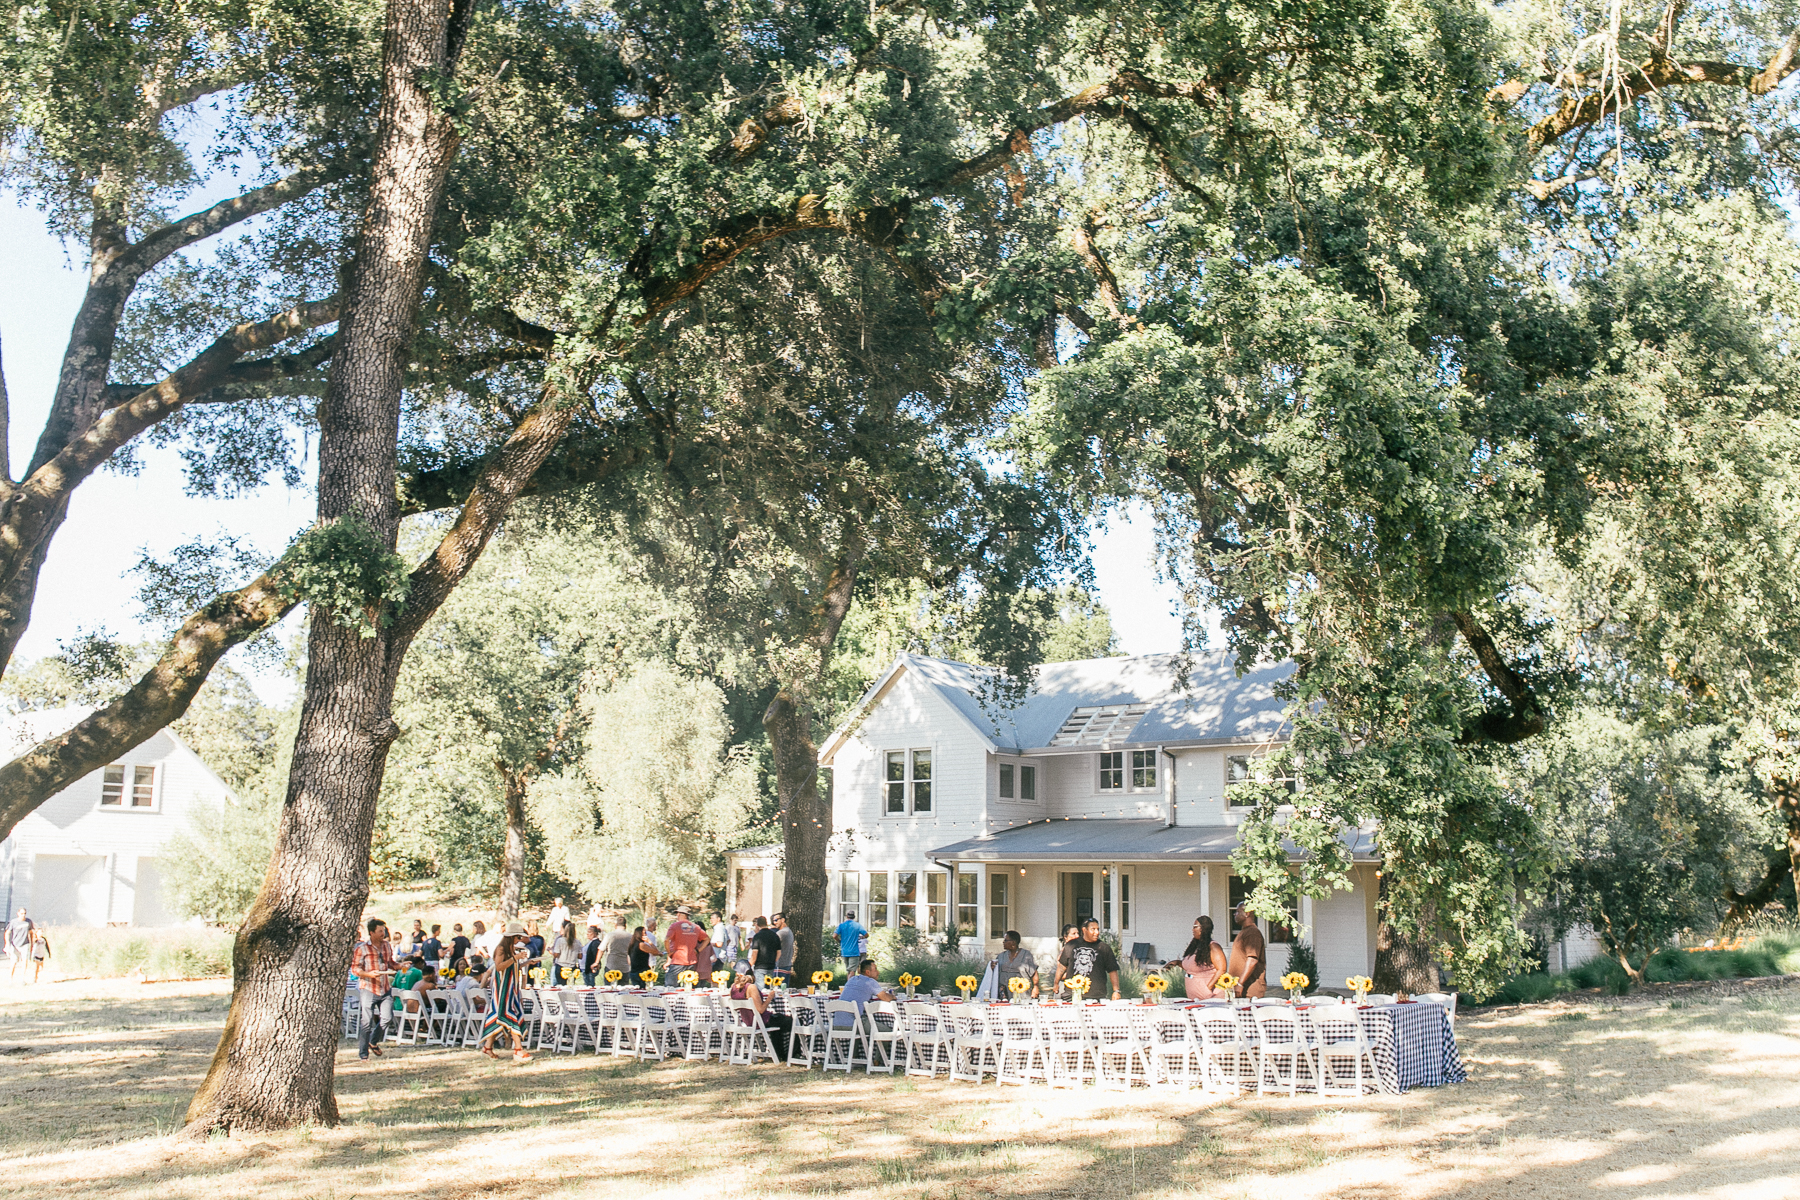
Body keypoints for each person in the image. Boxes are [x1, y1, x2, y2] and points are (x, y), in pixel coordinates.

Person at [479, 922, 533, 1062]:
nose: (518, 940)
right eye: (517, 937)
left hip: (510, 988)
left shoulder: (510, 949)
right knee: (510, 1014)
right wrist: (515, 958)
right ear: (512, 936)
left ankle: (487, 1047)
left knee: (500, 1016)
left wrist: (525, 963)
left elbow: (511, 966)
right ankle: (518, 1049)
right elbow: (499, 967)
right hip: (502, 989)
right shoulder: (501, 948)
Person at [352, 918, 399, 1060]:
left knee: (387, 1018)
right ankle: (363, 1054)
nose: (382, 933)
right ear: (371, 932)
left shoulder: (386, 946)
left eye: (383, 930)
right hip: (368, 988)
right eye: (380, 931)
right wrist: (368, 974)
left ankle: (373, 1041)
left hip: (384, 988)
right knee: (366, 1022)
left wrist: (400, 966)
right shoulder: (362, 948)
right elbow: (355, 969)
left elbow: (390, 963)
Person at [728, 968, 790, 1060]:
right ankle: (792, 1053)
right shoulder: (751, 987)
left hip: (747, 1021)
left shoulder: (733, 987)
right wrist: (769, 998)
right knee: (793, 1021)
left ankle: (779, 1053)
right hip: (760, 1020)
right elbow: (760, 1010)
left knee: (779, 1023)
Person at [1054, 918, 1121, 1001]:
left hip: (1096, 997)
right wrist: (1056, 983)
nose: (1097, 932)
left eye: (1098, 929)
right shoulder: (1071, 945)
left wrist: (1116, 991)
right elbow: (1061, 967)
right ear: (1084, 930)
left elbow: (1112, 970)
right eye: (1093, 929)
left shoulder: (1104, 948)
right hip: (1072, 995)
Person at [1168, 916, 1229, 999]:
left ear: (1203, 928)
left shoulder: (1213, 946)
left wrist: (1208, 988)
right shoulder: (1196, 947)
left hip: (1209, 995)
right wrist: (1178, 963)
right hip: (1194, 995)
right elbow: (1192, 968)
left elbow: (1222, 969)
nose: (1192, 930)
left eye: (1195, 927)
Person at [834, 959, 894, 1027]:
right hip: (854, 1024)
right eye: (875, 970)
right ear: (868, 972)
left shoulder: (852, 979)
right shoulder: (870, 982)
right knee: (888, 1031)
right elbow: (886, 998)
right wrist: (893, 996)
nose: (878, 972)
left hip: (836, 1025)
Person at [1227, 904, 1267, 999]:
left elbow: (1252, 960)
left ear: (1247, 913)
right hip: (1240, 989)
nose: (1234, 914)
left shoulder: (1252, 933)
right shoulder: (1245, 932)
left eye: (1237, 912)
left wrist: (1240, 984)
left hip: (1249, 991)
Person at [664, 906, 708, 981]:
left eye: (677, 913)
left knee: (671, 986)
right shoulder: (696, 927)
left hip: (677, 960)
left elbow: (666, 940)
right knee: (688, 986)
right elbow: (706, 939)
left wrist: (669, 952)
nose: (677, 915)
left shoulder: (674, 926)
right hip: (691, 960)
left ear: (679, 914)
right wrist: (698, 950)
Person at [990, 931, 1039, 997]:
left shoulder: (1026, 955)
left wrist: (1036, 987)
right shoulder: (1001, 956)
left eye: (1005, 940)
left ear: (1013, 942)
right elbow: (995, 973)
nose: (1003, 942)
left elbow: (1034, 972)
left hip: (1021, 992)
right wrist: (992, 967)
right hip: (1004, 993)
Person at [747, 916, 782, 987]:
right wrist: (773, 960)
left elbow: (754, 955)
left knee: (761, 991)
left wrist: (748, 966)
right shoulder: (775, 936)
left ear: (757, 925)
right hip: (771, 967)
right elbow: (779, 953)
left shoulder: (757, 937)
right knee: (769, 990)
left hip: (759, 967)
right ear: (766, 923)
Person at [834, 909, 868, 974]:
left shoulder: (841, 925)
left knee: (848, 971)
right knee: (852, 971)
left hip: (844, 951)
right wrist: (862, 937)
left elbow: (834, 936)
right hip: (854, 951)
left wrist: (839, 941)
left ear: (847, 916)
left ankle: (848, 984)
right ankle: (850, 984)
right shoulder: (857, 925)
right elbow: (866, 934)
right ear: (854, 917)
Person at [601, 918, 633, 982]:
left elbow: (601, 949)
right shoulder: (630, 937)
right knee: (623, 989)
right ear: (625, 925)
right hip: (625, 967)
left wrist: (596, 962)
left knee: (609, 988)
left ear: (615, 925)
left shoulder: (609, 935)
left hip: (611, 965)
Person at [6, 908, 34, 981]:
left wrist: (32, 944)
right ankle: (10, 979)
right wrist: (7, 943)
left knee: (24, 961)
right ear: (18, 913)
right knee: (14, 961)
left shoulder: (28, 922)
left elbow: (31, 932)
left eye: (24, 913)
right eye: (21, 913)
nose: (23, 915)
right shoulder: (13, 922)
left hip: (25, 943)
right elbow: (7, 933)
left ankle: (22, 979)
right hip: (15, 944)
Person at [772, 912, 796, 984]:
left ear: (782, 920)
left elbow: (771, 945)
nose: (774, 923)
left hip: (780, 965)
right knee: (784, 989)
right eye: (773, 921)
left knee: (777, 990)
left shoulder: (781, 933)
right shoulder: (789, 931)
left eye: (776, 920)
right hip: (787, 964)